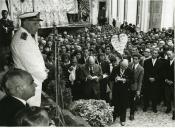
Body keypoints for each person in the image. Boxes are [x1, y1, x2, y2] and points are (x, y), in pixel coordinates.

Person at [11, 12, 48, 106]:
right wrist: (44, 75)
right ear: (25, 23)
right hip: (28, 82)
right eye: (35, 23)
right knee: (31, 110)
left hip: (32, 79)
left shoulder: (26, 36)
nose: (38, 26)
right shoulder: (21, 40)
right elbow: (31, 65)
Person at [110, 59, 134, 126]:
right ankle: (113, 118)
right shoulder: (115, 68)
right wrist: (115, 78)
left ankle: (122, 119)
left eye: (126, 66)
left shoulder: (130, 70)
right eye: (123, 67)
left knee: (123, 105)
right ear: (120, 65)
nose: (125, 68)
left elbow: (132, 81)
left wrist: (125, 80)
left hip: (125, 91)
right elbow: (111, 78)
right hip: (116, 90)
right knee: (115, 104)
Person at [143, 49, 163, 113]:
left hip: (156, 81)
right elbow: (145, 71)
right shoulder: (146, 61)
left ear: (157, 54)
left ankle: (154, 107)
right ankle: (145, 106)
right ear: (151, 54)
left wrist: (155, 78)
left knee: (155, 95)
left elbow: (160, 73)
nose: (154, 54)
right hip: (148, 81)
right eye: (153, 53)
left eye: (155, 53)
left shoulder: (160, 62)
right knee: (146, 94)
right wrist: (149, 77)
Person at [128, 54, 144, 120]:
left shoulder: (141, 69)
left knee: (132, 101)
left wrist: (138, 90)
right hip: (127, 85)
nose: (134, 60)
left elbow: (140, 81)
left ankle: (132, 114)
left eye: (136, 59)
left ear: (139, 60)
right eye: (133, 58)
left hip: (134, 86)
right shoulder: (129, 65)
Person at [164, 49, 174, 114]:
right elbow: (163, 72)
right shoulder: (166, 62)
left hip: (173, 83)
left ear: (173, 54)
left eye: (170, 54)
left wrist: (173, 81)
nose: (169, 56)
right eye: (167, 55)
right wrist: (166, 80)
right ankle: (168, 108)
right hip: (167, 82)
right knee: (167, 96)